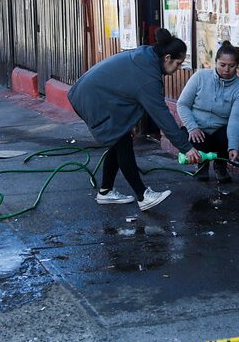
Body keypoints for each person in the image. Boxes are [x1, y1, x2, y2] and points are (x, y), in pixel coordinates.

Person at [68, 28, 202, 211]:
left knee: (119, 140)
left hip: (93, 93)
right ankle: (142, 195)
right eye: (178, 64)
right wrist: (186, 148)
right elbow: (162, 116)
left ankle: (106, 192)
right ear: (167, 57)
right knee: (122, 142)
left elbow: (127, 89)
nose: (178, 69)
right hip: (92, 98)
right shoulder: (148, 76)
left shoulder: (147, 56)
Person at [177, 40, 239, 183]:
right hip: (198, 129)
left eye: (231, 66)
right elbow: (182, 104)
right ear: (215, 62)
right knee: (192, 135)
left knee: (229, 135)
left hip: (220, 131)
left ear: (238, 65)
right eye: (222, 65)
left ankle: (220, 164)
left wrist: (233, 147)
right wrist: (192, 127)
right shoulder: (200, 77)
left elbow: (236, 120)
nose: (226, 70)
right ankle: (201, 164)